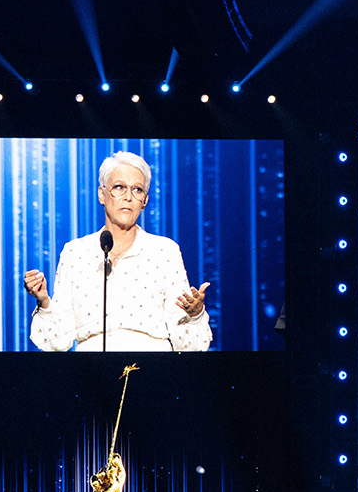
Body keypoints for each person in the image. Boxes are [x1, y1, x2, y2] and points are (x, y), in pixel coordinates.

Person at [24, 150, 215, 352]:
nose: (128, 197)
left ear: (145, 201)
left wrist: (195, 314)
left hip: (151, 366)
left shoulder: (164, 251)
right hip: (91, 370)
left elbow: (188, 345)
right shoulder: (75, 252)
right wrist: (44, 302)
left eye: (137, 190)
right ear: (101, 194)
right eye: (119, 187)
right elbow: (57, 343)